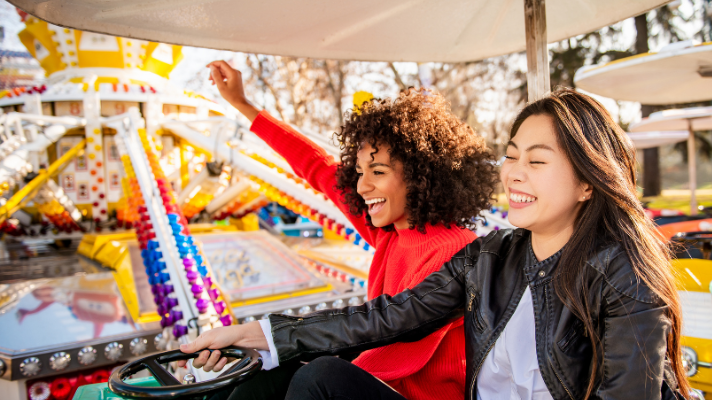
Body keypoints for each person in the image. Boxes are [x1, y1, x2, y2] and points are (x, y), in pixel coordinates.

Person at [182, 88, 691, 400]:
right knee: (289, 377)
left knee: (318, 378)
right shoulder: (491, 256)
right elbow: (388, 317)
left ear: (588, 183)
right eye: (511, 156)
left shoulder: (621, 274)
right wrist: (260, 335)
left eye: (536, 161)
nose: (514, 172)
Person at [189, 61, 498, 400]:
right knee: (264, 373)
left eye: (377, 172)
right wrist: (243, 104)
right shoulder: (390, 233)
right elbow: (316, 166)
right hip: (381, 384)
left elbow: (392, 335)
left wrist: (283, 345)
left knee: (319, 375)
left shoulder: (457, 249)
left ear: (420, 175)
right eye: (360, 171)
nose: (362, 186)